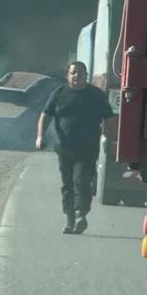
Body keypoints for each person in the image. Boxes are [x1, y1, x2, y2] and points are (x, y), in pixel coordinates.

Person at [36, 61, 116, 234]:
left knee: (81, 180)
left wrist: (108, 137)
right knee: (67, 185)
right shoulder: (59, 93)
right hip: (64, 147)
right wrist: (40, 136)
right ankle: (69, 219)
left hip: (88, 147)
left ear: (85, 76)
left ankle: (81, 213)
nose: (76, 76)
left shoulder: (95, 95)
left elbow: (109, 118)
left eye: (80, 73)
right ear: (68, 75)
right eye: (73, 73)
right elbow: (45, 115)